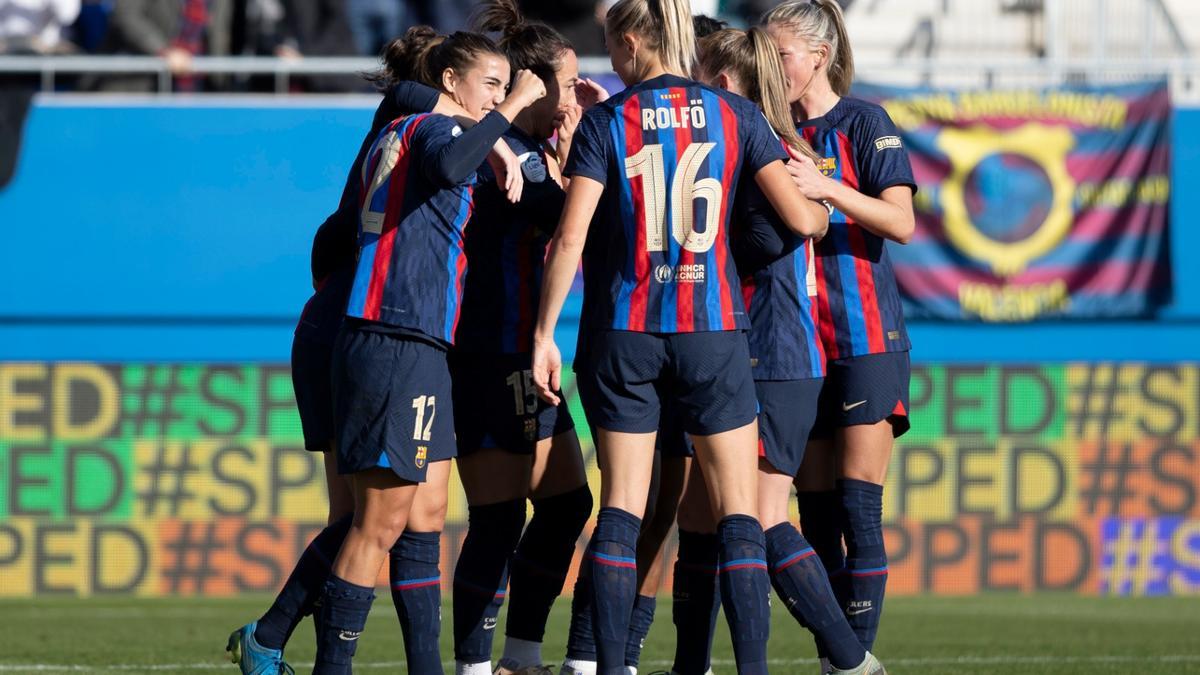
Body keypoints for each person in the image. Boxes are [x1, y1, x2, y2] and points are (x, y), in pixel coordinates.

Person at [531, 2, 827, 675]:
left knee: (622, 507)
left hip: (623, 331)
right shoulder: (738, 116)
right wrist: (822, 197)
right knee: (739, 514)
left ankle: (608, 667)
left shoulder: (608, 121)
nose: (609, 57)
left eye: (609, 43)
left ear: (633, 41)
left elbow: (570, 236)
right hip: (713, 331)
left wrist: (545, 332)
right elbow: (801, 221)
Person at [225, 27, 530, 675]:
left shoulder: (395, 133)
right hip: (395, 333)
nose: (499, 97)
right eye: (491, 83)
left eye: (506, 85)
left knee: (417, 515)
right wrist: (508, 115)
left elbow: (336, 232)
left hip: (411, 337)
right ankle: (303, 653)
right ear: (449, 82)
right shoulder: (432, 133)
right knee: (374, 522)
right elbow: (447, 160)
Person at [673, 25, 887, 675]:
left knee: (758, 516)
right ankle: (692, 662)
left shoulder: (756, 147)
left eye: (706, 77)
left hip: (774, 353)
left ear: (727, 84)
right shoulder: (767, 143)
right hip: (765, 353)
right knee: (706, 515)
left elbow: (782, 231)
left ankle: (850, 660)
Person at [765, 1, 916, 671]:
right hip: (799, 348)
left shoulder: (862, 122)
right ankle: (846, 658)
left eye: (783, 55)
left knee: (859, 508)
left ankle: (850, 661)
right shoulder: (767, 128)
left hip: (864, 340)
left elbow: (900, 221)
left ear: (818, 57)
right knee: (817, 514)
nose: (773, 67)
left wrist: (823, 186)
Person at [447, 2, 596, 674]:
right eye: (566, 84)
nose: (573, 96)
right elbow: (575, 214)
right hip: (487, 354)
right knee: (499, 519)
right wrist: (584, 137)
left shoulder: (530, 153)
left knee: (567, 504)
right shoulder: (503, 157)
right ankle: (480, 666)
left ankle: (522, 655)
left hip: (523, 357)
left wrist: (569, 138)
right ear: (531, 86)